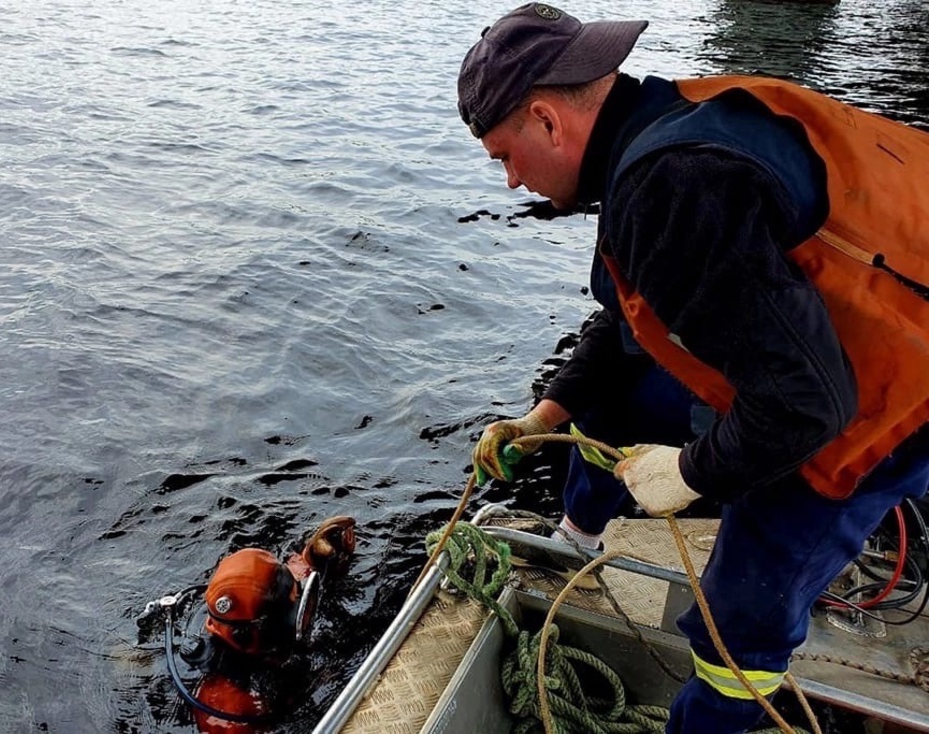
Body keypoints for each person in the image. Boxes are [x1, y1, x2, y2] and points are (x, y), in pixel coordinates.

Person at [460, 3, 929, 732]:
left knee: (738, 619)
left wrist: (692, 474)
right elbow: (624, 321)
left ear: (548, 121)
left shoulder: (672, 184)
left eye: (504, 157)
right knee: (622, 389)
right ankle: (576, 539)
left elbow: (809, 408)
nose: (512, 182)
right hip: (815, 359)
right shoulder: (661, 131)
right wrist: (543, 417)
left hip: (893, 397)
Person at [174, 516, 356, 733]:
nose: (300, 616)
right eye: (292, 614)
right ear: (250, 633)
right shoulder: (231, 710)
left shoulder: (261, 622)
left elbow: (284, 588)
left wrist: (313, 557)